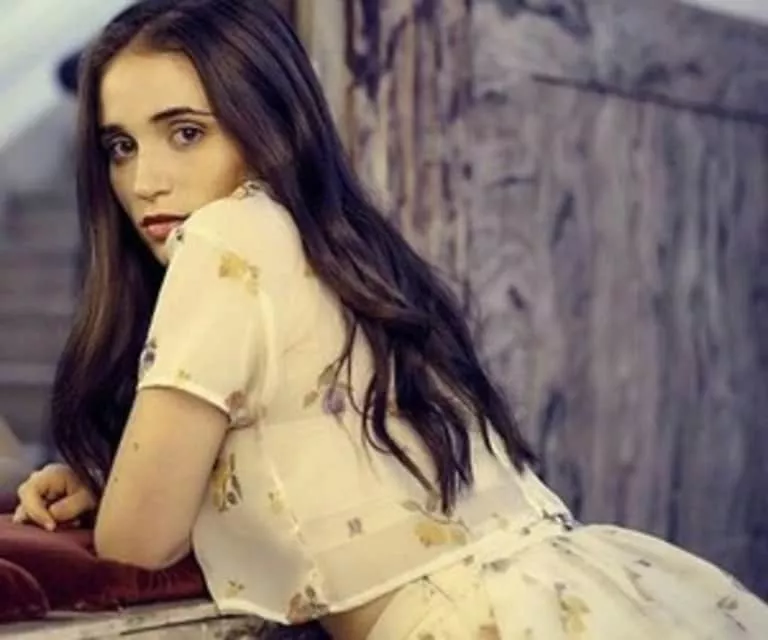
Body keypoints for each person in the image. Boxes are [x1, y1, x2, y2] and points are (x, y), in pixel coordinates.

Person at [11, 1, 768, 638]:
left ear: (267, 123)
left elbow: (138, 542)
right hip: (575, 594)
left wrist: (131, 497)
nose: (144, 180)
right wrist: (126, 476)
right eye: (120, 146)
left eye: (186, 133)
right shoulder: (338, 246)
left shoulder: (226, 237)